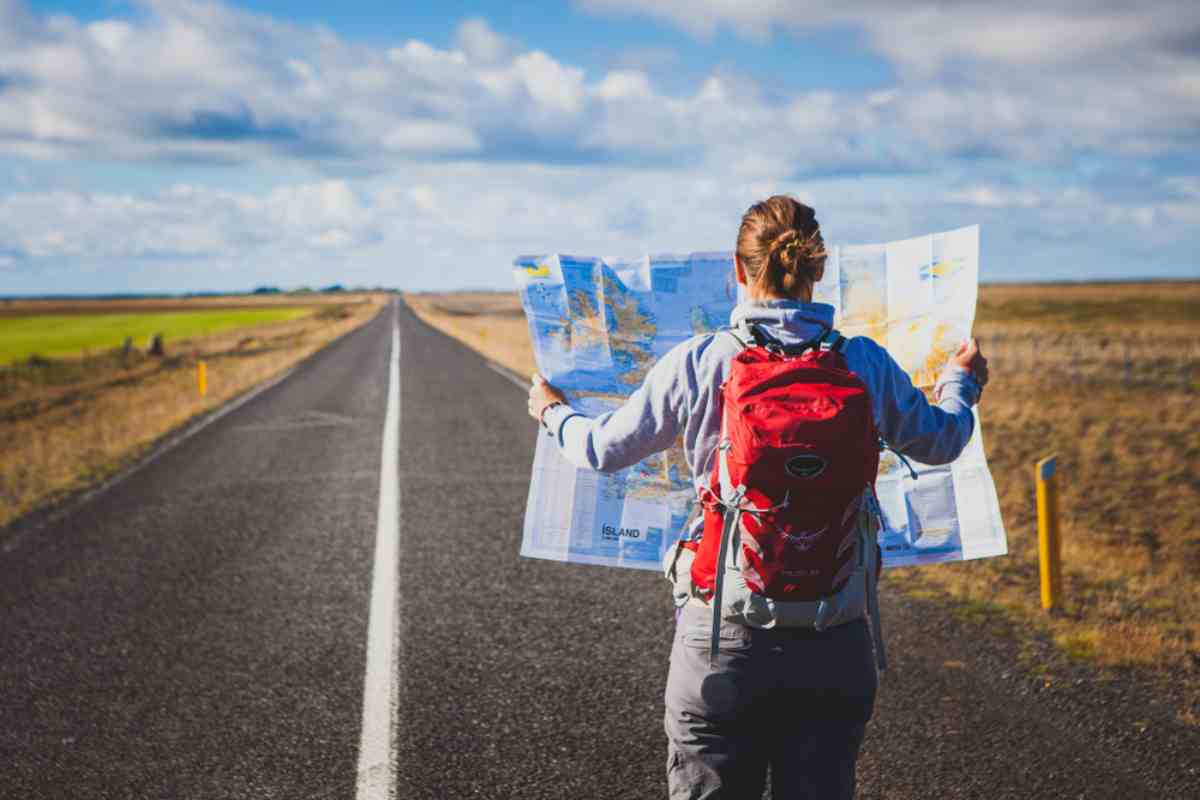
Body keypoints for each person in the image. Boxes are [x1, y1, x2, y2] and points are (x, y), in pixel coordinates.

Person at [526, 195, 988, 799]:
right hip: (835, 638)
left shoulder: (699, 361)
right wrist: (962, 382)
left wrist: (553, 412)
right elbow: (944, 439)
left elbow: (603, 451)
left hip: (723, 637)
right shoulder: (864, 363)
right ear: (819, 270)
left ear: (737, 270)